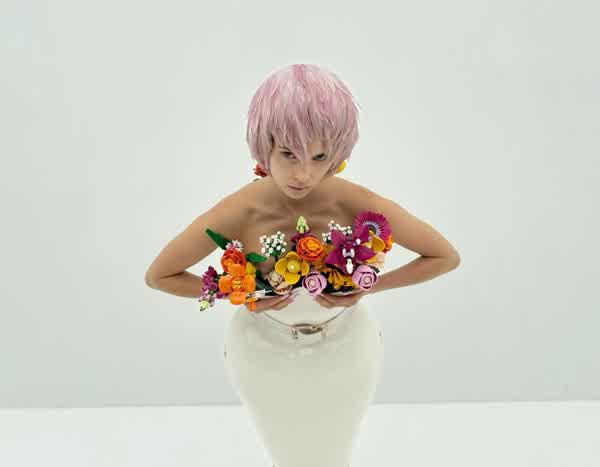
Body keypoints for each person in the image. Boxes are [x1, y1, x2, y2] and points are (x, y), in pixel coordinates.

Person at [145, 63, 461, 467]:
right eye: (288, 154)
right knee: (285, 452)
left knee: (335, 453)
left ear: (338, 152)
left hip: (348, 348)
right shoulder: (241, 208)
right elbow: (160, 275)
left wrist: (368, 287)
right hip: (260, 351)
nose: (303, 173)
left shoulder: (354, 200)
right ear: (264, 146)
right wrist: (239, 292)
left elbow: (443, 256)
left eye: (319, 156)